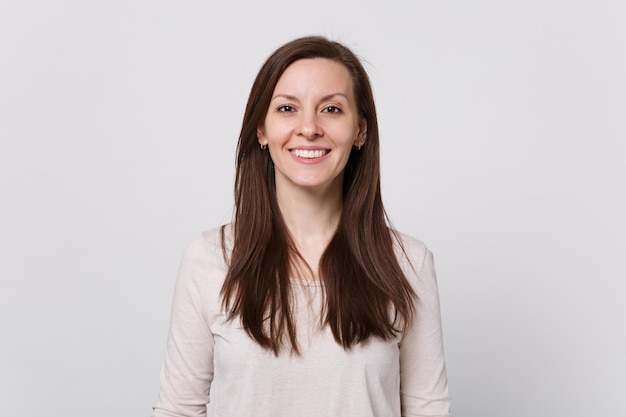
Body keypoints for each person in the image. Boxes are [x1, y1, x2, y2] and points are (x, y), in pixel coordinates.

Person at [152, 36, 452, 417]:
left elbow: (429, 410)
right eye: (287, 108)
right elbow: (177, 410)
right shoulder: (210, 260)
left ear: (360, 131)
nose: (308, 128)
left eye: (330, 108)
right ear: (261, 130)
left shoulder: (408, 263)